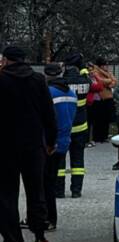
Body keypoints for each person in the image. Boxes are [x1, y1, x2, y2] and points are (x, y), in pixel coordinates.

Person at [0, 46, 57, 242]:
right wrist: (50, 142)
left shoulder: (1, 80)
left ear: (6, 60)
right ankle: (40, 241)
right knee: (36, 193)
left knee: (6, 197)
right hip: (34, 146)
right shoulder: (38, 80)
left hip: (5, 148)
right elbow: (48, 114)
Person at [42, 64, 77, 232]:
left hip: (49, 143)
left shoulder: (48, 93)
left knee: (44, 183)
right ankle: (45, 217)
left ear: (46, 75)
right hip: (64, 142)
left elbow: (46, 120)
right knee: (50, 181)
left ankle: (48, 219)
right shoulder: (71, 93)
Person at [60, 52, 92, 198]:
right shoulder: (85, 81)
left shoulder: (62, 82)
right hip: (81, 126)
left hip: (64, 127)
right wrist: (84, 69)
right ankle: (76, 190)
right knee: (78, 160)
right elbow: (90, 81)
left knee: (59, 160)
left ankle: (59, 190)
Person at [88, 57, 117, 143]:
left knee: (106, 118)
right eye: (104, 65)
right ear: (100, 66)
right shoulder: (96, 72)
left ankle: (104, 136)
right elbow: (101, 81)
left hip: (108, 98)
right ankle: (97, 137)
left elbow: (115, 81)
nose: (106, 67)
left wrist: (110, 83)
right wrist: (110, 81)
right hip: (100, 98)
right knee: (98, 119)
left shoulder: (108, 73)